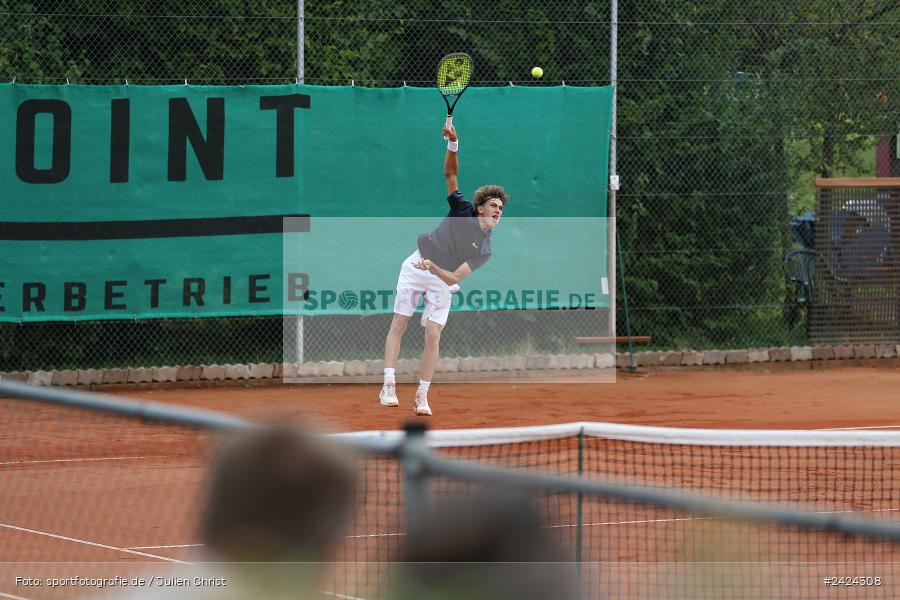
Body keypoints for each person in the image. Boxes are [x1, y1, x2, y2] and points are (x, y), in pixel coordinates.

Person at [379, 124, 509, 416]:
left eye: (501, 208)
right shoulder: (462, 208)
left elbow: (453, 278)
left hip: (441, 277)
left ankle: (421, 396)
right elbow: (450, 174)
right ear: (479, 208)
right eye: (493, 205)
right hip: (415, 266)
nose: (498, 210)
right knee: (399, 323)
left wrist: (434, 268)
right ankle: (388, 385)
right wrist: (453, 143)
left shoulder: (485, 249)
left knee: (433, 334)